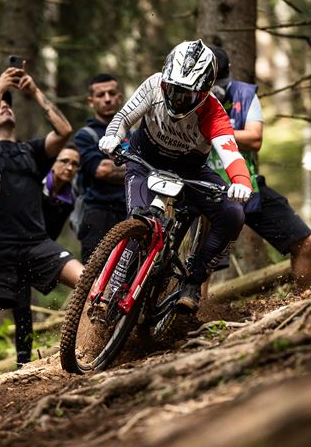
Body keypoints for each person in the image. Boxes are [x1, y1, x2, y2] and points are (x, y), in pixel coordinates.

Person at [98, 39, 253, 311]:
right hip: (144, 160)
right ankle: (113, 289)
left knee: (233, 214)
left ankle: (193, 282)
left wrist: (241, 181)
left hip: (189, 170)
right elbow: (123, 118)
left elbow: (231, 153)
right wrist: (113, 136)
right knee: (137, 220)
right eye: (173, 90)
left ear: (204, 92)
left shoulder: (214, 112)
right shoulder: (154, 85)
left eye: (187, 95)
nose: (177, 100)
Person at [0, 67, 83, 379]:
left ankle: (102, 337)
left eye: (10, 105)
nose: (6, 108)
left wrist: (34, 90)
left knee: (86, 278)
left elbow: (64, 130)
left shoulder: (31, 151)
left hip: (36, 242)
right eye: (0, 105)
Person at [206, 46, 311, 288]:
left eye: (220, 83)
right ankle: (196, 309)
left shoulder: (244, 94)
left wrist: (215, 132)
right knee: (202, 262)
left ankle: (305, 299)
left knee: (304, 241)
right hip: (206, 189)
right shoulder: (188, 97)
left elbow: (255, 139)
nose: (216, 91)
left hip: (248, 187)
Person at [73, 74, 128, 262]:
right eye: (100, 95)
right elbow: (102, 170)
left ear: (119, 97)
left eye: (112, 93)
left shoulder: (133, 134)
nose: (107, 99)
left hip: (130, 214)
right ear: (91, 101)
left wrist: (115, 168)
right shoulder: (85, 136)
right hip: (97, 215)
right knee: (95, 274)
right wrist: (135, 167)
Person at [41, 144, 80, 241]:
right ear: (53, 162)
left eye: (74, 164)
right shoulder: (36, 185)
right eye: (64, 161)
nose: (70, 168)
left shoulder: (69, 200)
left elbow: (53, 234)